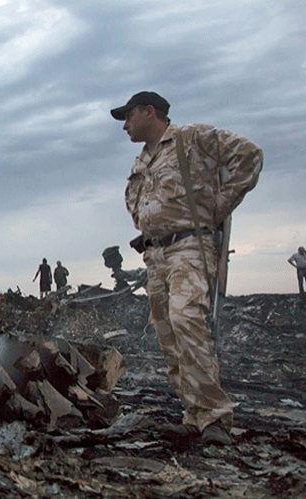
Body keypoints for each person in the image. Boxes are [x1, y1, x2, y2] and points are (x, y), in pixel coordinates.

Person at [111, 91, 262, 446]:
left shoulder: (191, 139)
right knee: (169, 334)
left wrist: (215, 210)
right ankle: (194, 415)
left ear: (150, 112)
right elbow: (138, 202)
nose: (125, 125)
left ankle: (215, 418)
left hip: (188, 248)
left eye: (128, 117)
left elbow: (249, 156)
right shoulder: (142, 160)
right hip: (156, 256)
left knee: (187, 321)